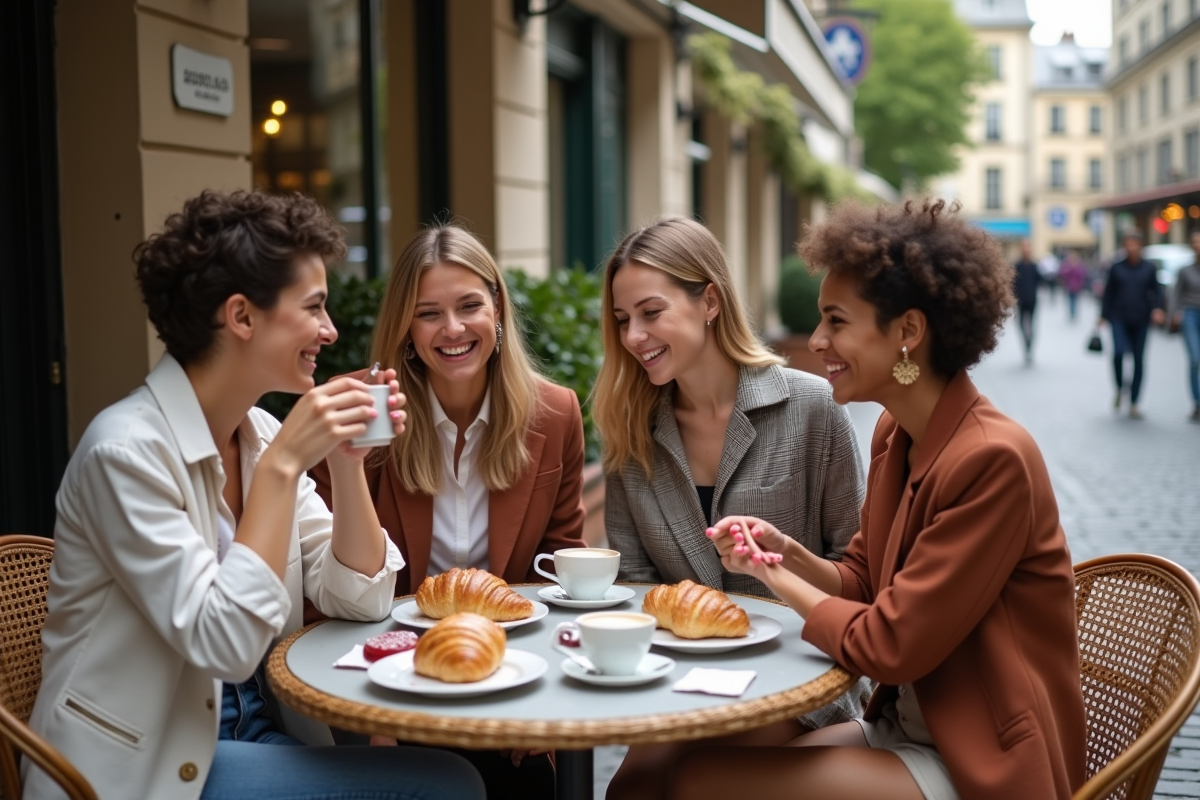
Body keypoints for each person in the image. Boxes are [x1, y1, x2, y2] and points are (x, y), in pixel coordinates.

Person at [23, 190, 485, 800]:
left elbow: (360, 600)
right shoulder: (126, 453)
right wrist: (286, 467)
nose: (331, 329)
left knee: (443, 772)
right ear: (241, 317)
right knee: (445, 785)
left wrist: (347, 467)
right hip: (154, 766)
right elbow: (227, 646)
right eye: (314, 307)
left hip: (259, 733)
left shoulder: (260, 433)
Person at [668, 199, 1087, 800]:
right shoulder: (898, 432)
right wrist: (786, 554)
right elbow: (864, 581)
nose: (816, 341)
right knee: (686, 772)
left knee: (703, 785)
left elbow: (890, 647)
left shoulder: (993, 459)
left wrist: (771, 578)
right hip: (904, 728)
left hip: (979, 759)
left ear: (909, 332)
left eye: (837, 321)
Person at [594, 217, 870, 798]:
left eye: (651, 312)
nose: (633, 336)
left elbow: (857, 571)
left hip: (800, 680)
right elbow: (636, 582)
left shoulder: (810, 406)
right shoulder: (631, 427)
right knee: (632, 788)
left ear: (710, 300)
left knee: (686, 782)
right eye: (622, 320)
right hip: (678, 683)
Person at [313, 223, 585, 797]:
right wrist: (371, 713)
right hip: (388, 678)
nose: (454, 329)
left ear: (498, 312)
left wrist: (549, 699)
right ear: (406, 329)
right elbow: (321, 585)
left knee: (529, 783)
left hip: (510, 677)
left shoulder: (554, 413)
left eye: (469, 306)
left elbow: (561, 570)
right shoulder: (358, 411)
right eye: (429, 312)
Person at [1100, 230, 1166, 419]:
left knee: (1138, 359)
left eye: (1135, 244)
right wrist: (1103, 315)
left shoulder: (1149, 268)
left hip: (1141, 319)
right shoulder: (1116, 268)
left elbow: (1157, 291)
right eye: (1128, 244)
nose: (1131, 248)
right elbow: (1108, 293)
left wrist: (1157, 308)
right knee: (1119, 353)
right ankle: (1120, 388)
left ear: (1141, 246)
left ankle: (1135, 402)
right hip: (1118, 318)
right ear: (1124, 246)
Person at [1172, 230, 1200, 421]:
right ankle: (1197, 403)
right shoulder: (1185, 270)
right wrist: (1174, 314)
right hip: (1190, 313)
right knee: (1195, 359)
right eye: (1195, 242)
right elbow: (1176, 294)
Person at [1013, 239, 1040, 364]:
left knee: (1032, 325)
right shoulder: (1017, 266)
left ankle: (1029, 346)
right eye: (1024, 247)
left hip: (1032, 300)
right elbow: (1012, 284)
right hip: (1020, 301)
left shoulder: (1035, 266)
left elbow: (1040, 281)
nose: (1026, 250)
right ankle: (1026, 344)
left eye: (1028, 247)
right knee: (1022, 326)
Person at [1059, 250, 1089, 322]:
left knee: (1075, 301)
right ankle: (1072, 313)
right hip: (1069, 287)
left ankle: (1074, 313)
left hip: (1077, 287)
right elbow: (1062, 274)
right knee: (1070, 301)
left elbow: (1083, 275)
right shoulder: (1067, 265)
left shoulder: (1079, 266)